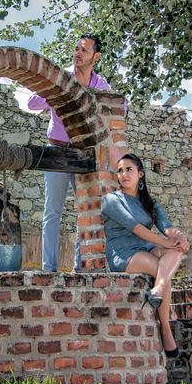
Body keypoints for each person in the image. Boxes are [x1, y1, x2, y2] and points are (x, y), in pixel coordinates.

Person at [28, 34, 118, 272]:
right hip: (56, 149)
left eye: (84, 50)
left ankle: (80, 267)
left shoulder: (100, 84)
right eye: (76, 48)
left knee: (86, 210)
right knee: (52, 211)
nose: (78, 53)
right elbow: (31, 103)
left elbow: (120, 107)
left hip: (83, 154)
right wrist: (56, 94)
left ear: (95, 57)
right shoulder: (62, 77)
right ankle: (49, 269)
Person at [101, 153, 189, 357]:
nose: (123, 174)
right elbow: (136, 228)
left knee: (173, 254)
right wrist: (166, 242)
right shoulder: (111, 200)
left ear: (140, 174)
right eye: (120, 170)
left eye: (129, 169)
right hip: (123, 252)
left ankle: (157, 289)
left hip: (147, 247)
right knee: (162, 268)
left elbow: (167, 227)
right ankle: (166, 330)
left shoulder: (150, 202)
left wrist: (180, 238)